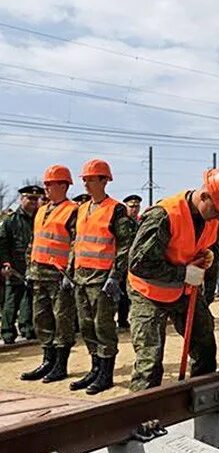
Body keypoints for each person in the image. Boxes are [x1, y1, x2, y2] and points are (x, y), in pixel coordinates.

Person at [126, 167, 219, 391]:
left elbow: (212, 248)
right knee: (150, 363)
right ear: (204, 196)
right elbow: (139, 263)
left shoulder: (213, 217)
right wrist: (184, 273)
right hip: (149, 291)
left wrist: (206, 255)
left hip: (184, 291)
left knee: (205, 347)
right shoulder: (163, 215)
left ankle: (201, 400)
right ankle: (139, 420)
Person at [70, 159, 135, 394]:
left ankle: (106, 374)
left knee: (103, 326)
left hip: (102, 279)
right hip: (81, 277)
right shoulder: (82, 208)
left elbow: (125, 246)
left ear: (104, 180)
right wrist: (70, 272)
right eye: (84, 179)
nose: (86, 184)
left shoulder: (115, 209)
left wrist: (115, 277)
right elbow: (76, 242)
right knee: (86, 326)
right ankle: (95, 369)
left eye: (90, 179)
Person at [21, 166, 78, 382]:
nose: (45, 187)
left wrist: (69, 273)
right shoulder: (42, 210)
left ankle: (60, 365)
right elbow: (34, 241)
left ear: (63, 186)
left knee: (62, 320)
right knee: (41, 318)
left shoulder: (72, 210)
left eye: (49, 183)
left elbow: (75, 243)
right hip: (38, 273)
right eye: (45, 183)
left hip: (58, 275)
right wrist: (29, 266)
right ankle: (47, 361)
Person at [0, 185, 39, 344]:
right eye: (29, 198)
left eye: (35, 199)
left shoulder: (39, 219)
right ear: (21, 199)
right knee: (11, 301)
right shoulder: (10, 220)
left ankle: (27, 329)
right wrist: (5, 263)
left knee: (28, 300)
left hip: (32, 267)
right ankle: (8, 333)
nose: (33, 202)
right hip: (14, 267)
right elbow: (2, 244)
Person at [117, 194, 143, 329]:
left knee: (130, 294)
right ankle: (121, 320)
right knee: (120, 294)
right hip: (121, 264)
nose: (134, 209)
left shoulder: (139, 223)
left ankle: (124, 319)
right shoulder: (122, 222)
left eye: (137, 206)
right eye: (131, 206)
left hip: (134, 265)